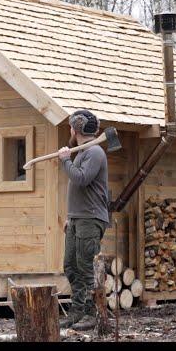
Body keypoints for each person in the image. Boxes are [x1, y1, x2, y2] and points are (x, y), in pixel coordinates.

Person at [58, 109, 110, 330]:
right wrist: (71, 217)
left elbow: (81, 179)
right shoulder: (83, 152)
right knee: (71, 266)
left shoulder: (95, 152)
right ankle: (78, 311)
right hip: (77, 219)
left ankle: (93, 313)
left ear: (75, 129)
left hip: (91, 218)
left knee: (86, 267)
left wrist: (65, 161)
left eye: (70, 127)